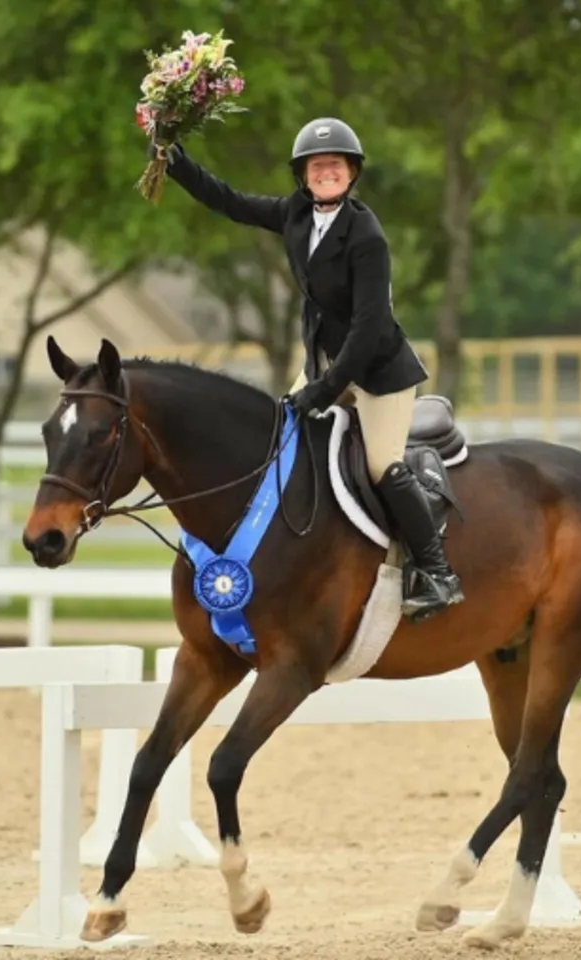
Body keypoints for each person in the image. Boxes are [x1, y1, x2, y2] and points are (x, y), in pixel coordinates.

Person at [151, 117, 464, 622]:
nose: (326, 174)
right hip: (325, 365)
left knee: (383, 465)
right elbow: (229, 201)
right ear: (303, 176)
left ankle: (437, 571)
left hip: (378, 372)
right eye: (318, 167)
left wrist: (324, 389)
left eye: (335, 166)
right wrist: (174, 158)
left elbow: (368, 326)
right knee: (278, 444)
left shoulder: (366, 235)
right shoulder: (295, 214)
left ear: (352, 173)